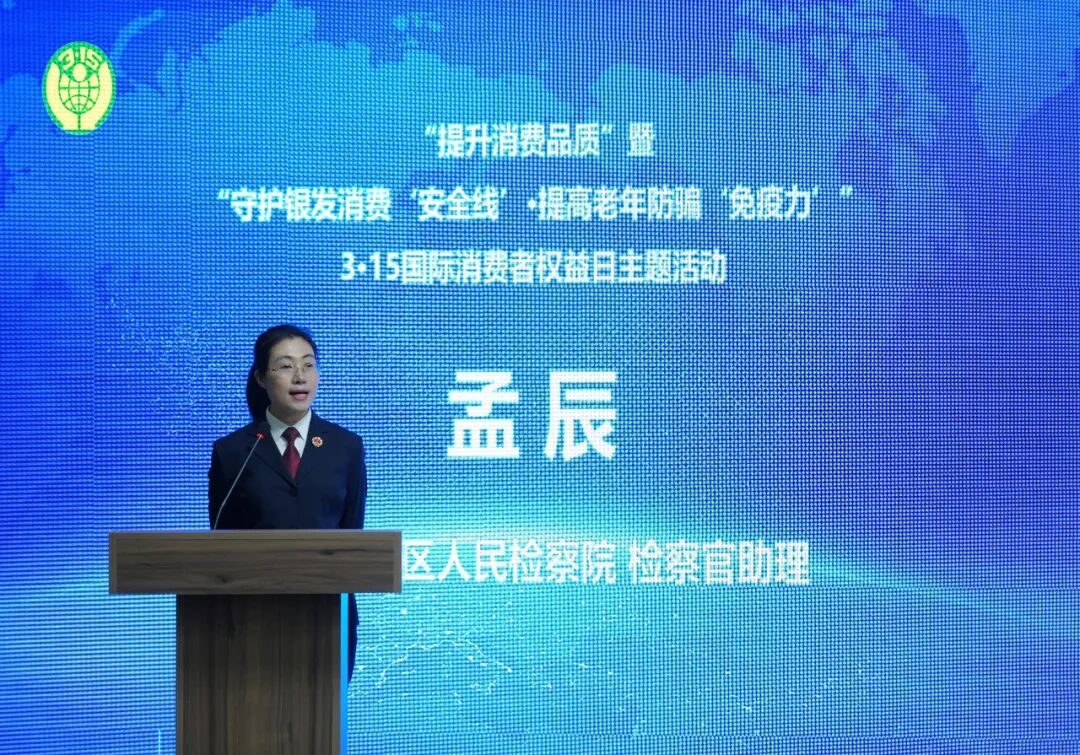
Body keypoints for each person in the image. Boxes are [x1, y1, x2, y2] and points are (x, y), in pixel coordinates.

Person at [208, 324, 366, 682]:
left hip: (329, 618)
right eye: (285, 366)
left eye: (308, 365)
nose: (300, 376)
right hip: (252, 619)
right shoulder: (232, 453)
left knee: (325, 717)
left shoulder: (346, 447)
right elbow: (220, 544)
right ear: (261, 378)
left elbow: (352, 534)